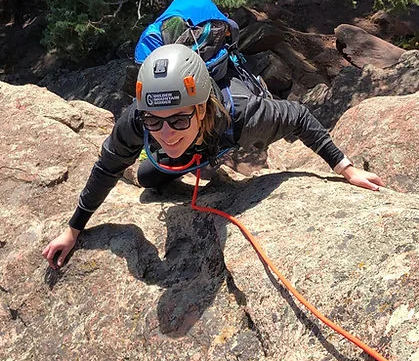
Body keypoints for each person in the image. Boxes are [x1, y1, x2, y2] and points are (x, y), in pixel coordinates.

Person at [43, 43, 384, 270]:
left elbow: (298, 116)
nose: (166, 132)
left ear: (204, 108)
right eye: (154, 120)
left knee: (165, 167)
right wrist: (74, 230)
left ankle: (204, 161)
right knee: (148, 179)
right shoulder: (138, 119)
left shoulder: (244, 117)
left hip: (219, 141)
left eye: (179, 118)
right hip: (197, 151)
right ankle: (196, 161)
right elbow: (108, 166)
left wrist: (347, 169)